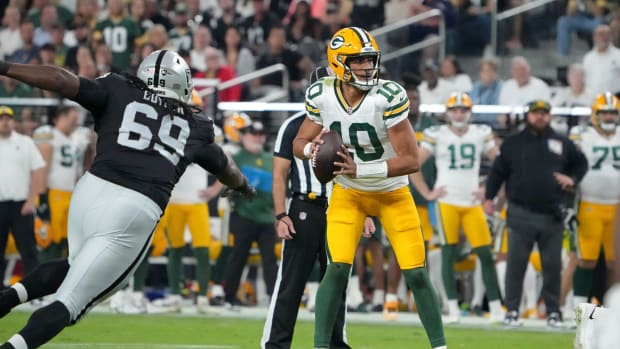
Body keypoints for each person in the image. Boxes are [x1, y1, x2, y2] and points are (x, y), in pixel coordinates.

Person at [0, 49, 255, 349]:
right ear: (184, 86)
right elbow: (227, 167)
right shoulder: (196, 125)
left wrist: (4, 66)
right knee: (71, 302)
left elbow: (60, 78)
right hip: (135, 207)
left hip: (89, 192)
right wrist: (243, 187)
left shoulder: (118, 87)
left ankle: (6, 299)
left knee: (74, 265)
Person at [293, 27, 446, 349]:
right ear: (338, 63)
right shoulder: (322, 94)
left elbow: (411, 160)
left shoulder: (386, 96)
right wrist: (314, 152)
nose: (367, 67)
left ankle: (440, 346)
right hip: (349, 195)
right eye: (358, 61)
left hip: (392, 193)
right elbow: (299, 142)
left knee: (416, 273)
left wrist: (359, 168)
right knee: (336, 269)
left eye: (370, 60)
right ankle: (320, 346)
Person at [261, 66, 351, 349]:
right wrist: (280, 214)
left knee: (336, 283)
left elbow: (356, 171)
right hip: (305, 207)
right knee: (291, 283)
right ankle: (275, 344)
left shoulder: (350, 124)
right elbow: (279, 173)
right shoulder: (294, 125)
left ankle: (336, 343)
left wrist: (367, 212)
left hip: (342, 207)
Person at [484, 99, 588, 328]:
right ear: (528, 115)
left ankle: (553, 312)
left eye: (544, 113)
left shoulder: (561, 142)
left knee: (552, 266)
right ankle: (511, 310)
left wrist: (573, 179)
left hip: (552, 214)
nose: (540, 117)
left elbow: (581, 164)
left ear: (549, 116)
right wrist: (489, 198)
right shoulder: (514, 143)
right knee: (516, 264)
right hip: (521, 212)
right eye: (535, 113)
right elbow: (497, 172)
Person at [410, 92, 504, 324]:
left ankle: (496, 308)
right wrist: (426, 192)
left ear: (469, 112)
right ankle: (452, 307)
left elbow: (501, 165)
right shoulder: (437, 134)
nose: (459, 114)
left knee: (484, 253)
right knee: (448, 253)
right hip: (447, 201)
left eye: (463, 110)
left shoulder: (480, 133)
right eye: (455, 110)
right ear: (448, 113)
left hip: (472, 201)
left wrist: (487, 189)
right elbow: (413, 165)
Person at [569, 92, 620, 307]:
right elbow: (570, 161)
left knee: (614, 263)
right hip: (590, 203)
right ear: (595, 115)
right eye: (605, 113)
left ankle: (612, 306)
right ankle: (578, 307)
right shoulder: (582, 134)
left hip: (616, 206)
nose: (609, 117)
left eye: (613, 113)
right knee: (587, 260)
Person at [223, 120, 278, 309]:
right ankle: (229, 297)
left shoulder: (271, 160)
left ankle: (274, 298)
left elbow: (277, 188)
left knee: (270, 259)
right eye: (253, 134)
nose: (257, 138)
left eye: (260, 134)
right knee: (238, 257)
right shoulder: (237, 157)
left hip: (265, 216)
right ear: (245, 136)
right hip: (243, 214)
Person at [33, 106, 93, 261]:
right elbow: (42, 167)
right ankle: (44, 281)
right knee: (49, 238)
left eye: (76, 119)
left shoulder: (78, 136)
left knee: (68, 241)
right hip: (53, 192)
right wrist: (42, 197)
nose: (74, 123)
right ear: (58, 118)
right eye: (71, 119)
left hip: (72, 193)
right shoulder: (48, 134)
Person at [0, 105, 44, 280]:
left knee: (28, 250)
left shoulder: (25, 142)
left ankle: (33, 291)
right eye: (1, 118)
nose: (5, 122)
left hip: (21, 204)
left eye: (8, 118)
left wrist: (32, 199)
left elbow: (38, 170)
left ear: (14, 122)